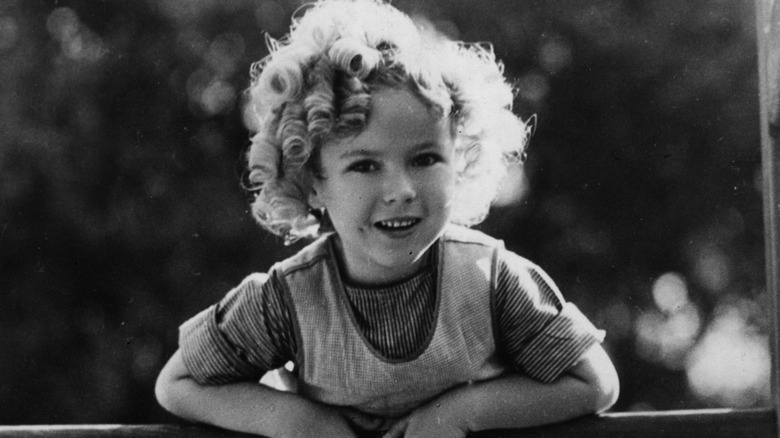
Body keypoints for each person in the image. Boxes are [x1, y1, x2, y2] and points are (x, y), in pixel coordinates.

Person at [155, 1, 619, 437]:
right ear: (312, 179)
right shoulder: (287, 298)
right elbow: (177, 383)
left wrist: (460, 415)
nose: (401, 191)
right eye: (365, 165)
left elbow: (596, 382)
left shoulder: (490, 279)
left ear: (457, 161)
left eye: (425, 159)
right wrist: (298, 422)